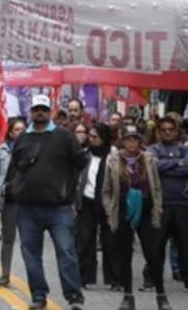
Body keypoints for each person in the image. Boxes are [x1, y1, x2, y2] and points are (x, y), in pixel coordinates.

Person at [6, 95, 88, 310]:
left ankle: (74, 297)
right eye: (36, 109)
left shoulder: (64, 136)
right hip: (27, 209)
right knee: (31, 255)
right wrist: (15, 190)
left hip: (58, 208)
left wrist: (66, 188)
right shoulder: (22, 138)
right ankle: (39, 296)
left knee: (67, 252)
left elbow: (80, 162)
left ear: (50, 111)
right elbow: (14, 168)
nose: (40, 113)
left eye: (43, 109)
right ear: (31, 112)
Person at [102, 126, 171, 310]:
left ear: (140, 142)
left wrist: (158, 208)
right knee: (124, 254)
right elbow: (106, 190)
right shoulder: (113, 160)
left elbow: (156, 186)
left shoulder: (148, 159)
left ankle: (161, 295)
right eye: (128, 139)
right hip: (123, 209)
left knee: (153, 254)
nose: (132, 143)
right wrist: (110, 211)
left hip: (146, 209)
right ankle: (128, 295)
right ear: (122, 141)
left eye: (135, 139)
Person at [146, 116, 188, 292]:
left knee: (185, 246)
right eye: (163, 129)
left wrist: (167, 165)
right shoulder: (152, 149)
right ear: (158, 131)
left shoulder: (185, 149)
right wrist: (175, 163)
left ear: (177, 131)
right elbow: (152, 166)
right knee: (156, 245)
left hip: (183, 203)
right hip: (160, 204)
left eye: (171, 129)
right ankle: (151, 278)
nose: (167, 132)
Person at [75, 123, 118, 289]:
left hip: (108, 202)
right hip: (87, 201)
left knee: (111, 241)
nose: (90, 139)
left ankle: (114, 279)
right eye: (90, 136)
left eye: (95, 137)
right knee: (85, 240)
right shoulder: (85, 156)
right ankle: (84, 277)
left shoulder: (114, 156)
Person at [0, 117, 25, 288]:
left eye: (23, 128)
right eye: (17, 129)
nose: (21, 132)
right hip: (9, 200)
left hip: (27, 200)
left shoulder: (31, 149)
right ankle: (5, 274)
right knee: (8, 239)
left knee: (29, 240)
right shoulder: (1, 151)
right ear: (11, 132)